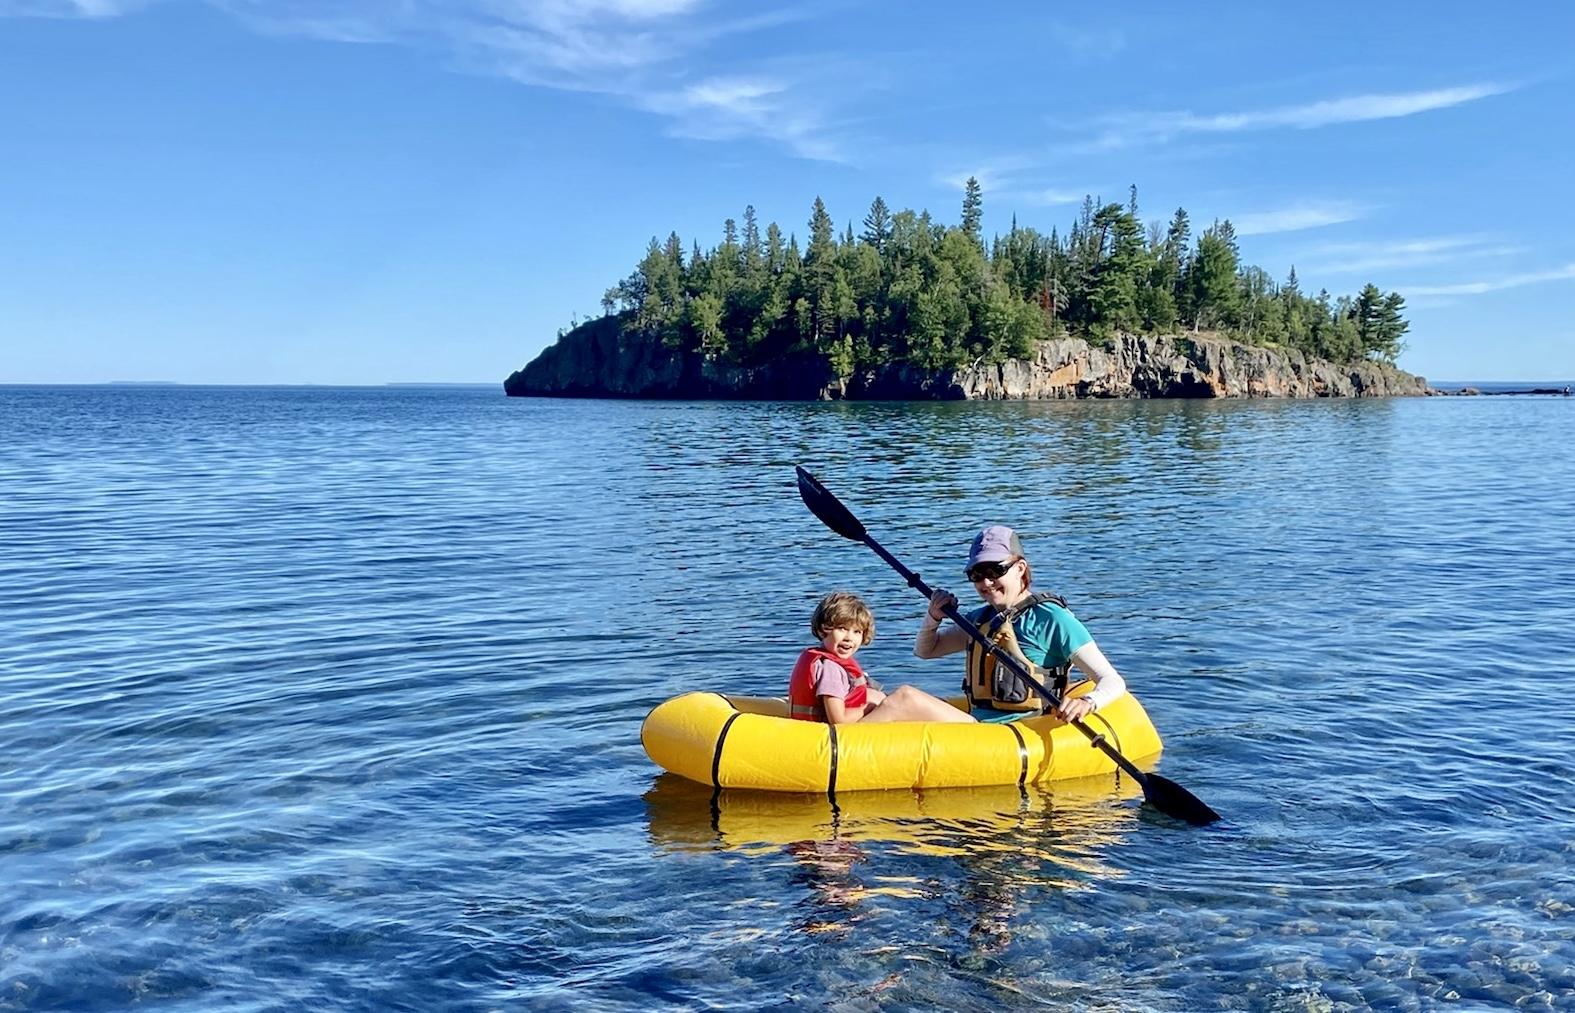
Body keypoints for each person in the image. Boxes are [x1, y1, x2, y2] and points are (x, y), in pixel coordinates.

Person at [914, 525, 1127, 724]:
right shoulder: (980, 619)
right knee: (879, 697)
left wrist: (1087, 702)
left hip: (1015, 728)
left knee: (905, 698)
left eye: (994, 571)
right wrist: (933, 616)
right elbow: (927, 651)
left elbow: (1112, 680)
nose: (986, 583)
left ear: (1020, 568)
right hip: (978, 725)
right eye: (977, 574)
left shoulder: (1052, 618)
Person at [788, 592, 974, 725]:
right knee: (904, 696)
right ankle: (973, 729)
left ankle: (963, 722)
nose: (849, 638)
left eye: (857, 632)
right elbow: (839, 720)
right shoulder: (831, 669)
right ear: (822, 630)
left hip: (851, 727)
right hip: (843, 738)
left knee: (896, 697)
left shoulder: (829, 663)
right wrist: (871, 707)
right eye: (842, 629)